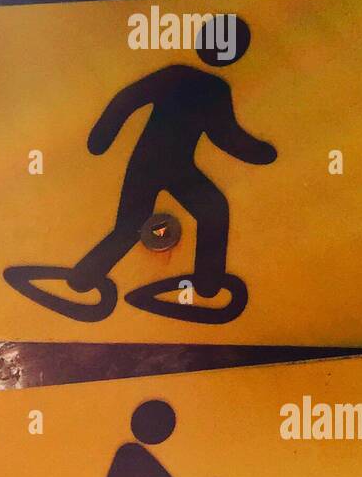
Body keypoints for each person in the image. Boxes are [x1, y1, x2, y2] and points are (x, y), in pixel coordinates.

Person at [67, 16, 276, 298]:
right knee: (136, 225)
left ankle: (207, 282)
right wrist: (100, 138)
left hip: (170, 166)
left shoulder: (202, 84)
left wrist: (102, 138)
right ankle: (84, 276)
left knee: (210, 210)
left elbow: (222, 133)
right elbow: (131, 99)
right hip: (155, 165)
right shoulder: (194, 81)